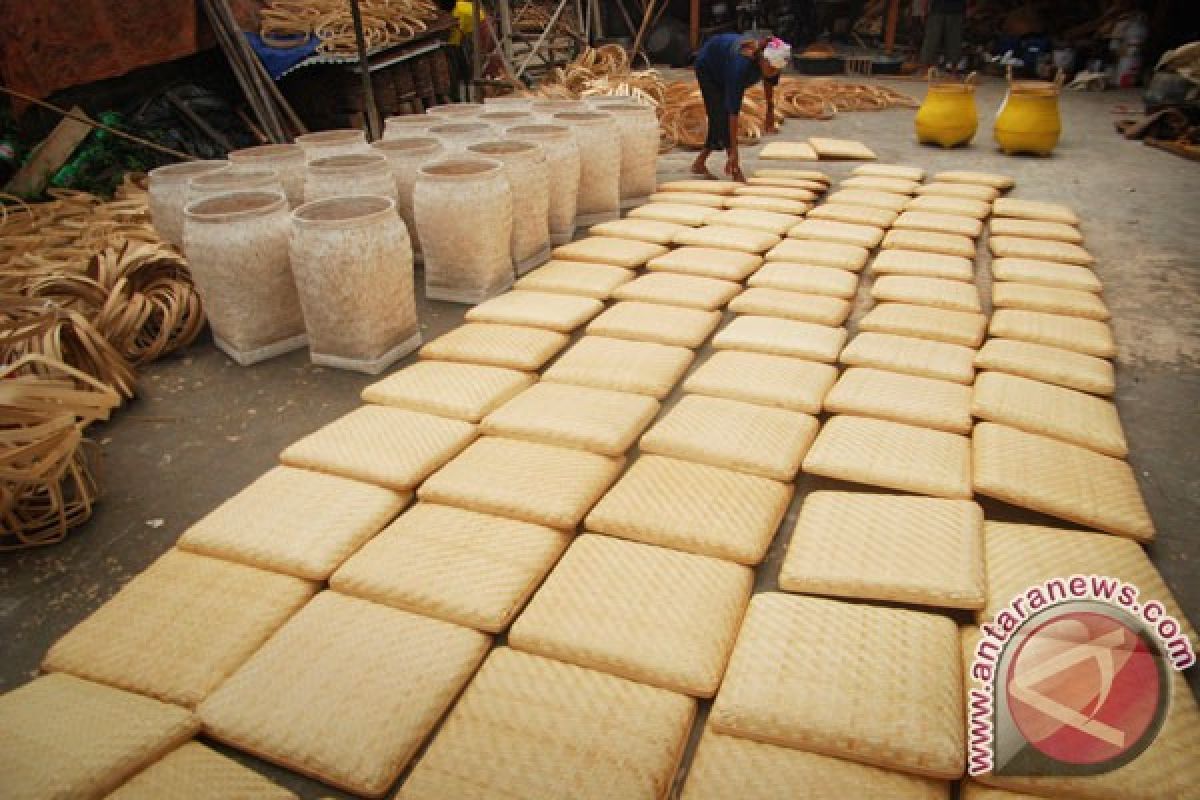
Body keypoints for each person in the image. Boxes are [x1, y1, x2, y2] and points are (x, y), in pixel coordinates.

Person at [692, 35, 791, 182]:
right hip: (709, 67)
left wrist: (770, 111)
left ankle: (699, 163)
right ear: (762, 59)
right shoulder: (740, 67)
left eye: (776, 70)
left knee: (719, 120)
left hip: (724, 65)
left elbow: (769, 81)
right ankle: (734, 169)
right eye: (770, 68)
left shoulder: (772, 61)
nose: (773, 72)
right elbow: (733, 112)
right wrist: (734, 153)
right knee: (720, 117)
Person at [920, 0, 968, 71]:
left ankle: (954, 68)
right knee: (932, 40)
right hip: (939, 11)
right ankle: (925, 67)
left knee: (954, 40)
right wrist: (924, 9)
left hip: (955, 11)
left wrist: (924, 10)